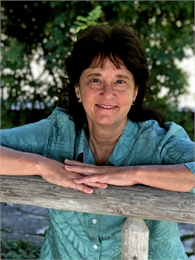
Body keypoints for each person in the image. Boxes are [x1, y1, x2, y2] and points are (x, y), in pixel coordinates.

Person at [1, 23, 194, 260]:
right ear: (78, 90)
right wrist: (43, 166)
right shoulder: (57, 133)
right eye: (95, 79)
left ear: (135, 93)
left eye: (120, 81)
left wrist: (132, 174)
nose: (107, 92)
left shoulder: (158, 142)